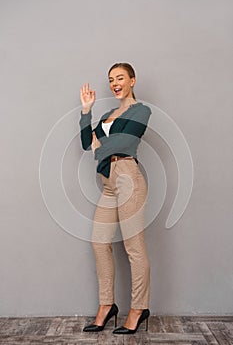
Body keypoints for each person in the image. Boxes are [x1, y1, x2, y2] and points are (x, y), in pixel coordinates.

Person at [79, 63, 151, 335]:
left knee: (133, 247)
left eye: (120, 78)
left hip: (129, 179)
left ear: (132, 80)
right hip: (109, 183)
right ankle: (107, 306)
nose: (115, 83)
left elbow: (123, 143)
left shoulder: (141, 111)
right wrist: (87, 111)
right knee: (99, 242)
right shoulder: (108, 114)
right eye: (111, 79)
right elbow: (88, 144)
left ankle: (138, 309)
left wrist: (101, 146)